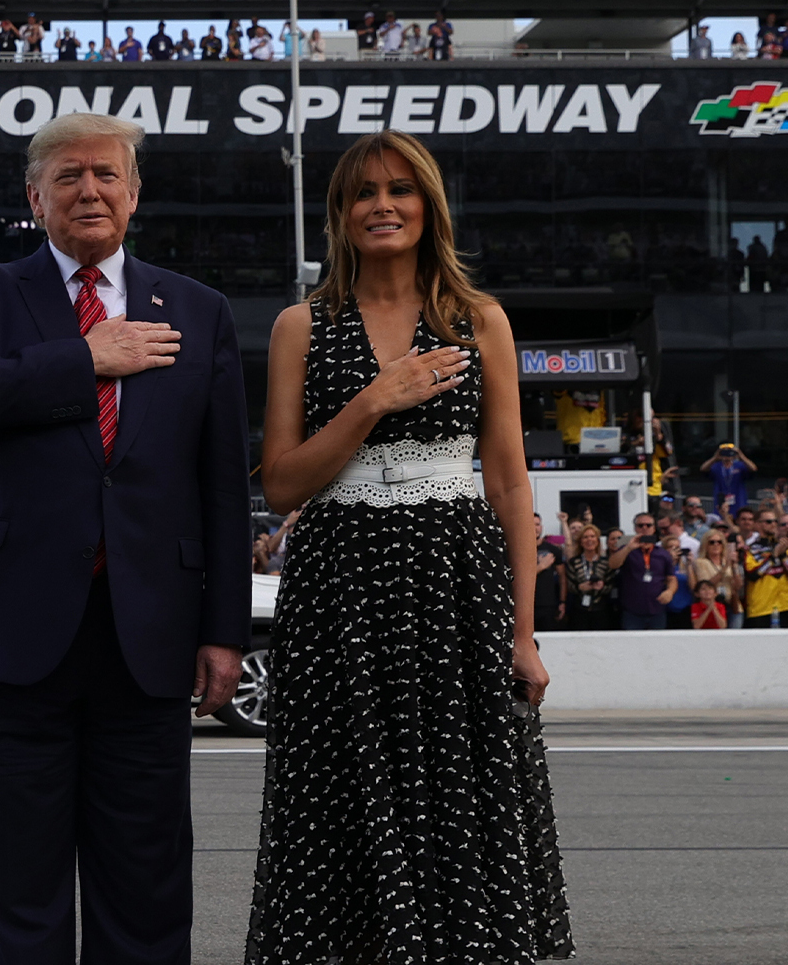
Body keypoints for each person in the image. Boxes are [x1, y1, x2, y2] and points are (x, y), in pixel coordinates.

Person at [0, 111, 250, 963]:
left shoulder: (200, 311)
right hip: (14, 629)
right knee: (23, 890)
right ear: (36, 197)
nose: (89, 189)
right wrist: (85, 356)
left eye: (106, 174)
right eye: (68, 176)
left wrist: (224, 631)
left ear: (134, 194)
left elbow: (219, 485)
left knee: (145, 886)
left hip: (150, 632)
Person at [249, 129, 572, 961]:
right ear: (340, 214)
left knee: (461, 796)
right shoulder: (301, 325)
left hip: (455, 582)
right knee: (337, 801)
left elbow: (509, 484)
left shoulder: (478, 320)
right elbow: (281, 484)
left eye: (399, 189)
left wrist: (524, 635)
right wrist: (372, 401)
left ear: (429, 207)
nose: (381, 205)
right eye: (363, 193)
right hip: (339, 593)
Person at [532, 512, 565, 630]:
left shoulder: (553, 550)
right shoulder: (516, 551)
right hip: (525, 605)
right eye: (530, 524)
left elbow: (562, 577)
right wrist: (540, 567)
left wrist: (562, 602)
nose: (534, 528)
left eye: (537, 524)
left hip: (548, 605)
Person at [701, 442, 755, 514]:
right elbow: (703, 469)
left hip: (738, 499)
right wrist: (715, 457)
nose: (727, 455)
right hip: (721, 499)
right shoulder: (717, 466)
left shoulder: (739, 465)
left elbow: (753, 468)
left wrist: (740, 455)